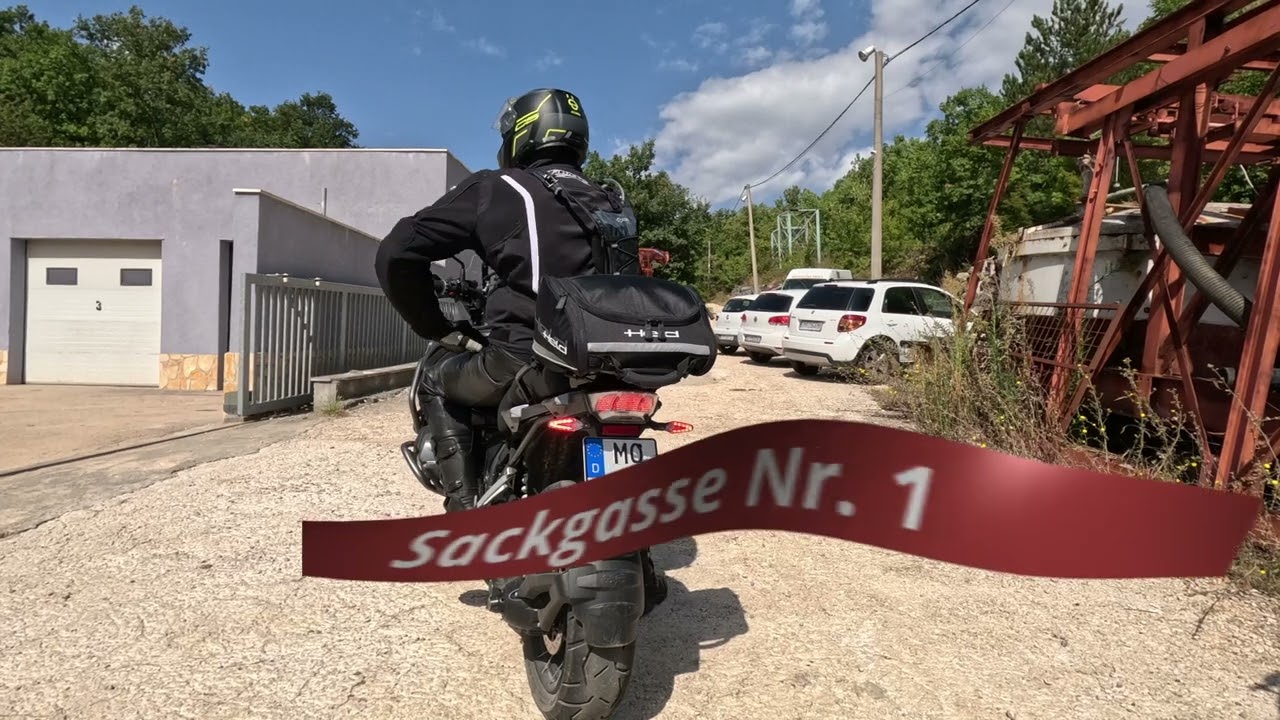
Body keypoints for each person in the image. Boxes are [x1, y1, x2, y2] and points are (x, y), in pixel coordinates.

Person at [374, 88, 667, 607]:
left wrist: (434, 326)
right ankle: (639, 549)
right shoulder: (611, 201)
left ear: (520, 135)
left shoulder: (498, 188)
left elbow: (397, 252)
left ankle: (467, 518)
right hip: (611, 367)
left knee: (441, 377)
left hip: (522, 355)